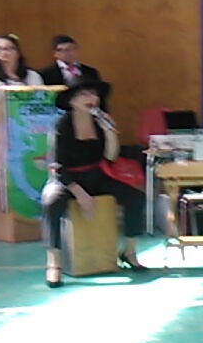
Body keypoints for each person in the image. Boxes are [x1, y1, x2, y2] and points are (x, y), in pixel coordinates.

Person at [40, 78, 148, 287]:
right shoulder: (61, 127)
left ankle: (129, 252)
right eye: (84, 95)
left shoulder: (99, 123)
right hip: (66, 179)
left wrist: (110, 132)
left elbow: (110, 157)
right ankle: (54, 263)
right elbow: (58, 166)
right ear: (72, 101)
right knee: (51, 202)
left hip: (95, 175)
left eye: (93, 94)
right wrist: (80, 194)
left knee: (135, 197)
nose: (91, 99)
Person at [0, 34, 44, 181]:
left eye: (9, 49)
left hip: (30, 129)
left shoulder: (33, 76)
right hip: (1, 130)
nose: (4, 52)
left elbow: (41, 102)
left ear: (18, 52)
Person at [38, 35, 105, 109]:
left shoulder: (90, 72)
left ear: (76, 50)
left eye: (70, 49)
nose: (66, 53)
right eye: (61, 50)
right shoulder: (46, 74)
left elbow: (99, 96)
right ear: (55, 53)